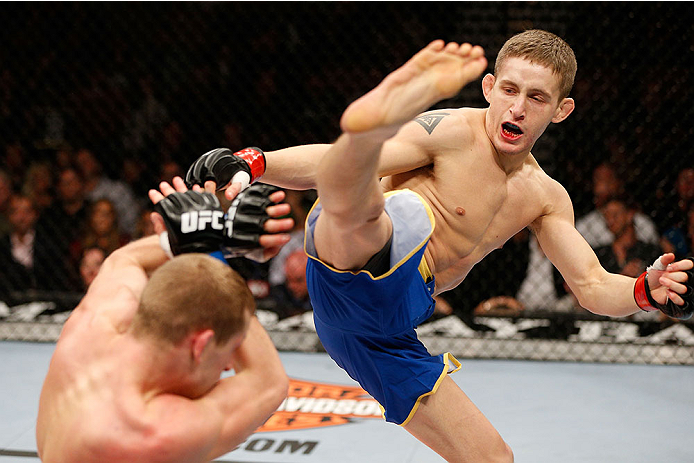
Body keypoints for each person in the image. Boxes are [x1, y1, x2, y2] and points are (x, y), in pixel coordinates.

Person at [186, 31, 694, 462]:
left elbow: (591, 285)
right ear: (489, 88)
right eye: (510, 90)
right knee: (374, 195)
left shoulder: (544, 196)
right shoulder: (451, 132)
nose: (517, 107)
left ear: (561, 110)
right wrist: (253, 164)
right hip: (354, 258)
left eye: (537, 98)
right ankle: (368, 126)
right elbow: (337, 165)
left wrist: (644, 291)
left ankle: (365, 151)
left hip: (381, 330)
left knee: (495, 459)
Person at [36, 178, 293, 463]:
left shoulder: (93, 328)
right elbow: (269, 383)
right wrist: (209, 250)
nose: (230, 365)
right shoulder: (156, 432)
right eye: (229, 350)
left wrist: (202, 237)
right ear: (200, 345)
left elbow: (124, 260)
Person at [575, 162, 659, 248]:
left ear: (618, 182)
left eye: (609, 179)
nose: (604, 185)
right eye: (599, 179)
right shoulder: (583, 227)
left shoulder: (643, 224)